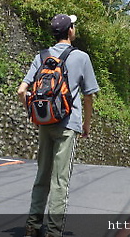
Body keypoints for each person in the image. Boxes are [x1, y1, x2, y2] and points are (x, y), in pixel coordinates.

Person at [17, 13, 99, 237]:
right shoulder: (81, 57)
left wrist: (34, 116)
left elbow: (21, 91)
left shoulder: (41, 56)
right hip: (67, 124)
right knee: (60, 180)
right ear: (70, 31)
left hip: (44, 122)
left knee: (42, 174)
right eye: (73, 25)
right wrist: (86, 124)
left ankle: (32, 226)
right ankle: (53, 231)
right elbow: (89, 96)